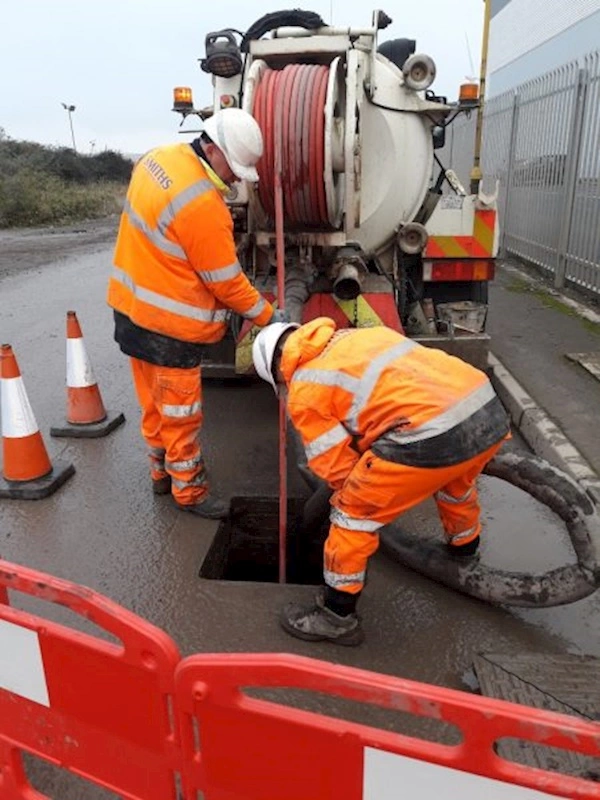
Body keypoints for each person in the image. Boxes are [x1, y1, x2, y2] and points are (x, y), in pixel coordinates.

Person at [252, 317, 511, 645]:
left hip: (427, 434)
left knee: (351, 516)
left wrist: (363, 485)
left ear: (277, 372)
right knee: (454, 485)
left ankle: (336, 617)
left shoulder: (305, 387)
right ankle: (463, 552)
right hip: (483, 409)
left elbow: (337, 471)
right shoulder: (355, 338)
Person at [108, 108, 283, 520]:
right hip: (171, 330)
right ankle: (190, 492)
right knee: (181, 416)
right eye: (236, 167)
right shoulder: (204, 206)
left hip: (130, 312)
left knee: (153, 407)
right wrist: (269, 317)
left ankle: (160, 476)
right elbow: (227, 284)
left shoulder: (155, 160)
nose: (239, 177)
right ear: (212, 148)